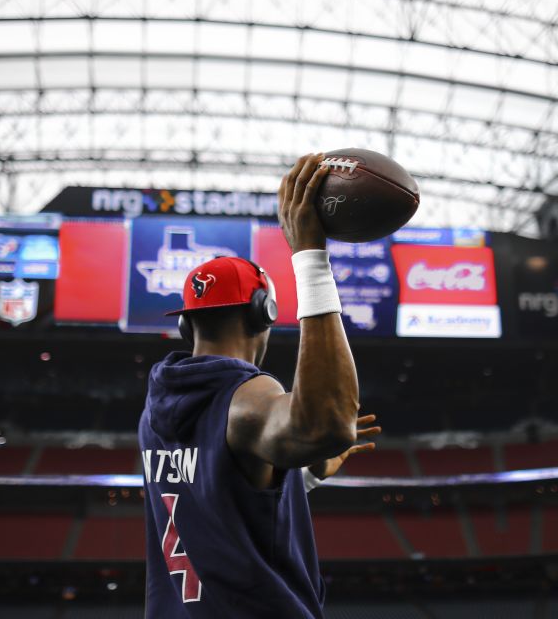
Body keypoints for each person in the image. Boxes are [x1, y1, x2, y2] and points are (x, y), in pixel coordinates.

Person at [138, 154, 381, 617]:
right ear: (263, 313)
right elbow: (328, 426)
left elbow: (210, 501)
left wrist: (301, 476)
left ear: (187, 325)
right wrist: (311, 258)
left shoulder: (156, 408)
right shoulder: (248, 399)